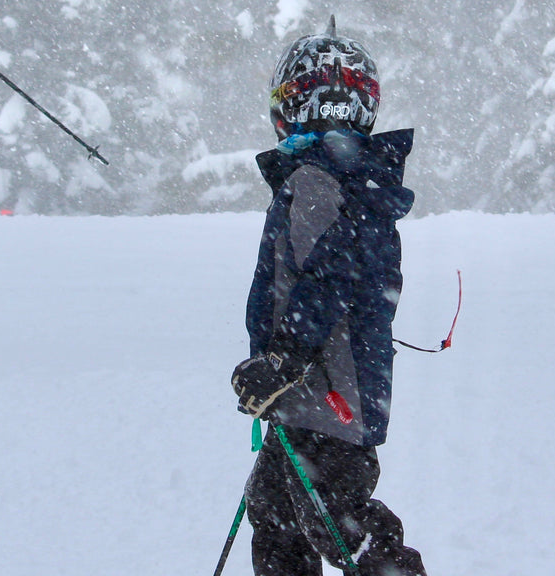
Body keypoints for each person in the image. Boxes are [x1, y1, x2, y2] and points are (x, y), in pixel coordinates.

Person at [230, 16, 427, 576]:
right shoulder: (342, 178)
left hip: (326, 397)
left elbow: (330, 279)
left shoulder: (317, 182)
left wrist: (282, 359)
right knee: (274, 511)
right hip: (313, 395)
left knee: (342, 525)